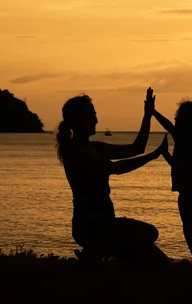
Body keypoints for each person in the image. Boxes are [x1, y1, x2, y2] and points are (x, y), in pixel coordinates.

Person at [56, 88, 170, 267]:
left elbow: (136, 148)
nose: (96, 120)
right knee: (150, 234)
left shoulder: (94, 147)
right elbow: (115, 168)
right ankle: (95, 253)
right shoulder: (77, 152)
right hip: (92, 228)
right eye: (92, 115)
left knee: (158, 260)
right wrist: (153, 155)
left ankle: (98, 255)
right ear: (79, 120)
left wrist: (147, 116)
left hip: (105, 224)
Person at [153, 100, 192, 266]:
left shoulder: (187, 142)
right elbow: (169, 126)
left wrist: (164, 153)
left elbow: (180, 166)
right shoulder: (185, 139)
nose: (175, 119)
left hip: (191, 191)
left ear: (188, 123)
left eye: (178, 117)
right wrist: (153, 112)